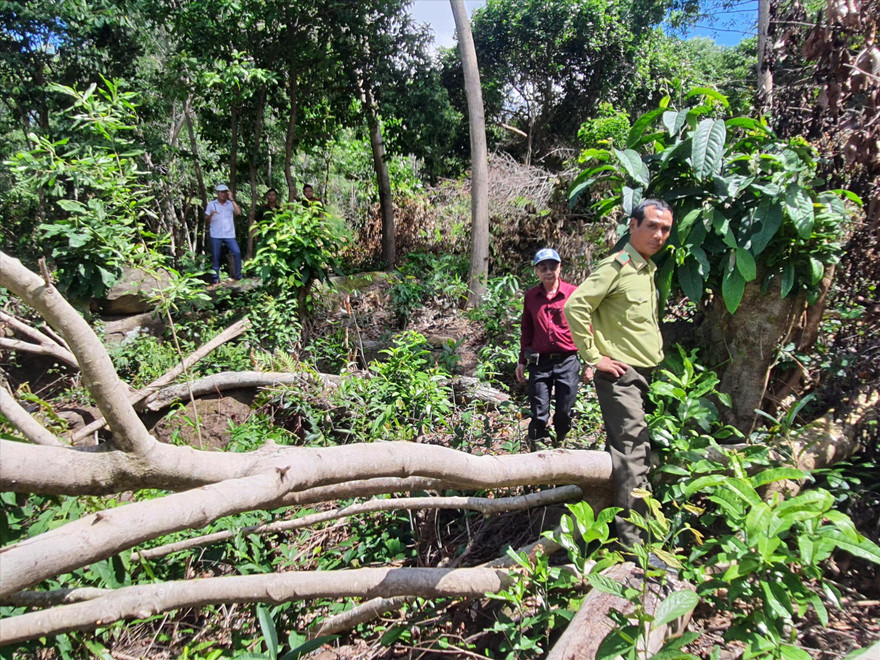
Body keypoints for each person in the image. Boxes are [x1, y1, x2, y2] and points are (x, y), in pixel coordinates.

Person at [564, 199, 674, 549]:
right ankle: (634, 544)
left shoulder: (646, 269)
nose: (659, 235)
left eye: (665, 229)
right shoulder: (619, 265)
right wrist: (595, 358)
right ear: (633, 226)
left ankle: (603, 532)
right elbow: (575, 305)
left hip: (644, 376)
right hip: (621, 376)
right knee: (633, 455)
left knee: (626, 454)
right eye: (652, 226)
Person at [515, 248, 582, 450]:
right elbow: (526, 329)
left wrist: (590, 362)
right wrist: (521, 361)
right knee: (538, 411)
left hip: (568, 360)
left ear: (560, 267)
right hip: (540, 362)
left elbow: (586, 325)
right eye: (543, 267)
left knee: (564, 411)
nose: (548, 271)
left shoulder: (573, 293)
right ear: (536, 271)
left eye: (552, 266)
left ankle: (561, 444)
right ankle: (536, 450)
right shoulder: (531, 297)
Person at [205, 184, 242, 284]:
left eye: (225, 192)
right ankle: (215, 279)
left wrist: (232, 199)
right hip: (216, 234)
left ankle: (239, 276)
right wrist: (210, 216)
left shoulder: (230, 204)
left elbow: (238, 212)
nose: (223, 194)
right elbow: (206, 220)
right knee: (216, 256)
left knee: (237, 252)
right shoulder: (212, 204)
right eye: (221, 192)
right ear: (217, 193)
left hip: (229, 234)